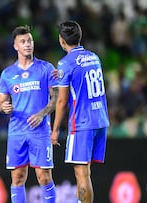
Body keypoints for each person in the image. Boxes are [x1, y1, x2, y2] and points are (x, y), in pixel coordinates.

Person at [0, 25, 58, 203]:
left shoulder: (45, 69)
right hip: (17, 131)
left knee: (44, 177)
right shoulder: (7, 74)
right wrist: (4, 107)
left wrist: (41, 114)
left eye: (29, 41)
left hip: (39, 131)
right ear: (15, 46)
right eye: (23, 41)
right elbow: (1, 103)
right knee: (17, 178)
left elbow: (55, 99)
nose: (27, 44)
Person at [51, 20, 110, 203]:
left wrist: (55, 129)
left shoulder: (65, 63)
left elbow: (61, 101)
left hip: (82, 122)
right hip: (100, 119)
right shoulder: (94, 57)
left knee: (81, 173)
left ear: (62, 41)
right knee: (86, 172)